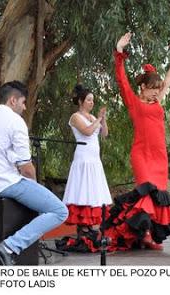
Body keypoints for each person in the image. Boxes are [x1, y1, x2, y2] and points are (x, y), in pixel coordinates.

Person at [0, 81, 68, 265]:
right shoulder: (14, 121)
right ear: (12, 100)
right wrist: (36, 186)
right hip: (5, 184)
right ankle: (9, 247)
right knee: (59, 210)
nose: (24, 107)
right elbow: (27, 168)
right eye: (23, 102)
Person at [104, 32, 170, 251]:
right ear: (143, 87)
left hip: (159, 156)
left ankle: (150, 236)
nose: (157, 92)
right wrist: (119, 50)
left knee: (158, 196)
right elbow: (121, 79)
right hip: (141, 154)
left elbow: (169, 78)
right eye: (153, 88)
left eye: (158, 89)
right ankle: (145, 233)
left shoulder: (158, 101)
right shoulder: (133, 102)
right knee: (145, 192)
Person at [62, 84, 112, 242]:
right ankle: (82, 228)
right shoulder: (76, 117)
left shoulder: (92, 118)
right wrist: (98, 119)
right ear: (81, 101)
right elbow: (87, 131)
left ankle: (90, 226)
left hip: (94, 160)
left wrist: (102, 120)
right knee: (82, 191)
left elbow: (104, 134)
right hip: (83, 159)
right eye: (89, 100)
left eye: (93, 100)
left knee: (92, 193)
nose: (92, 103)